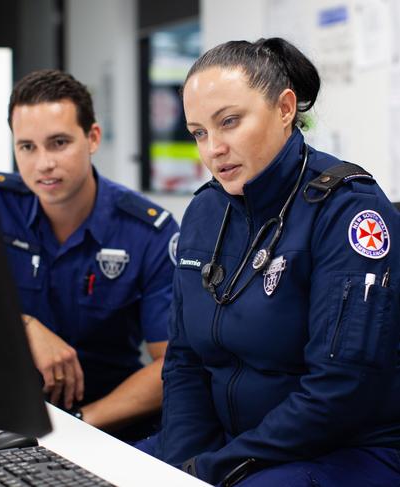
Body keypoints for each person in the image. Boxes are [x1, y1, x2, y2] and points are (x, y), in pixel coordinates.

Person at [152, 38, 400, 486]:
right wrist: (183, 465)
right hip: (232, 450)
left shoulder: (348, 212)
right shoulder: (205, 211)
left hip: (343, 450)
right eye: (199, 133)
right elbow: (184, 362)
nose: (213, 149)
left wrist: (213, 470)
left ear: (285, 108)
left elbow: (339, 390)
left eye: (229, 122)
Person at [0, 69, 180, 440]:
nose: (43, 163)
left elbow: (173, 364)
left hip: (105, 420)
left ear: (92, 138)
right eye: (27, 147)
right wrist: (23, 325)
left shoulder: (147, 232)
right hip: (5, 411)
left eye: (58, 142)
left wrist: (78, 424)